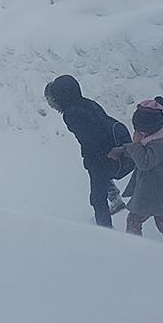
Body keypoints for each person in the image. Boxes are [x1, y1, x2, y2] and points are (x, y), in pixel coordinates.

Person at [44, 75, 129, 228]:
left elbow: (91, 138)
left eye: (53, 99)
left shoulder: (71, 114)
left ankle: (106, 232)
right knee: (99, 181)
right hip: (110, 150)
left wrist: (102, 154)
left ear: (60, 96)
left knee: (97, 198)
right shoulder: (87, 103)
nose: (53, 104)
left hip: (102, 156)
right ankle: (115, 198)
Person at [108, 97, 163, 249]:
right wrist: (121, 151)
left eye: (140, 130)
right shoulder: (154, 136)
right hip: (157, 190)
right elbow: (141, 151)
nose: (139, 133)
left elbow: (144, 162)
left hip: (156, 193)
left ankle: (134, 249)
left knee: (134, 220)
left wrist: (134, 144)